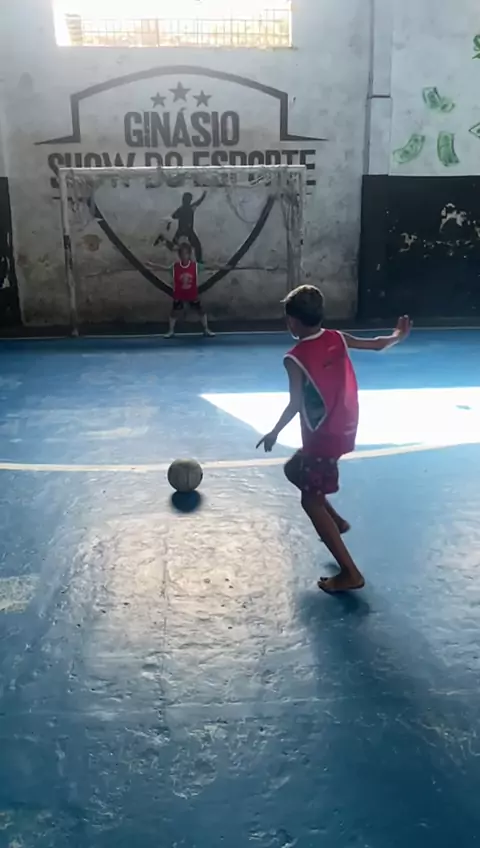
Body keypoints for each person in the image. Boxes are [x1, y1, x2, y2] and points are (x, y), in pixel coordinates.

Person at [256, 284, 411, 593]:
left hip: (321, 438)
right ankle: (337, 522)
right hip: (345, 425)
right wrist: (397, 336)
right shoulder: (336, 337)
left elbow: (295, 403)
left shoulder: (294, 357)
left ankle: (350, 573)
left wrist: (274, 432)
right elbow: (376, 344)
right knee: (293, 470)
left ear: (293, 321)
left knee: (309, 500)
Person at [165, 241, 214, 338]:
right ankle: (171, 331)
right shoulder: (175, 266)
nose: (184, 256)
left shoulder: (195, 266)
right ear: (179, 255)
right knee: (174, 312)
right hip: (179, 294)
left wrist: (223, 266)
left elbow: (209, 266)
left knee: (201, 310)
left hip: (192, 294)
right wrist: (151, 265)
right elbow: (165, 268)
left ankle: (206, 329)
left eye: (186, 254)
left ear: (189, 254)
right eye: (182, 254)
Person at [155, 191, 206, 262]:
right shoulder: (183, 209)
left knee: (197, 246)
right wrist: (168, 224)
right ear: (184, 200)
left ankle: (199, 261)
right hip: (182, 232)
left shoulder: (188, 208)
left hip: (187, 232)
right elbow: (172, 217)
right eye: (186, 200)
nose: (186, 201)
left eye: (188, 200)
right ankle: (162, 238)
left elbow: (199, 201)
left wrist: (204, 194)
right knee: (175, 247)